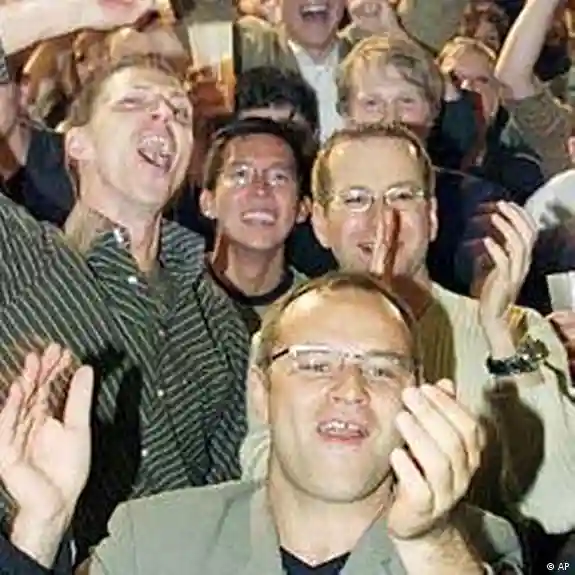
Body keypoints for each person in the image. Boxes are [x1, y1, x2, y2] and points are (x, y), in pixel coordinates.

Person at [0, 274, 524, 574]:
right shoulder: (154, 541)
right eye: (314, 363)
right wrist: (40, 529)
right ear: (260, 390)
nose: (350, 389)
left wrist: (431, 541)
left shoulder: (472, 548)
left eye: (381, 369)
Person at [241, 123, 575, 546]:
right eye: (356, 199)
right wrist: (371, 329)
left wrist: (500, 337)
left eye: (401, 196)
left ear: (431, 218)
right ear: (321, 223)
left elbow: (558, 507)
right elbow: (265, 488)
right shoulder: (285, 339)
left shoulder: (518, 331)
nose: (383, 220)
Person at [0, 50, 250, 563]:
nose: (163, 115)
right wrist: (59, 15)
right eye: (134, 102)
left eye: (180, 112)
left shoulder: (222, 321)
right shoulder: (20, 256)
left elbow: (230, 495)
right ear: (77, 143)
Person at [200, 118, 311, 334]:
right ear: (207, 202)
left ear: (302, 208)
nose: (260, 190)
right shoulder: (174, 295)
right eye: (241, 175)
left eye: (279, 177)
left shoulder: (317, 312)